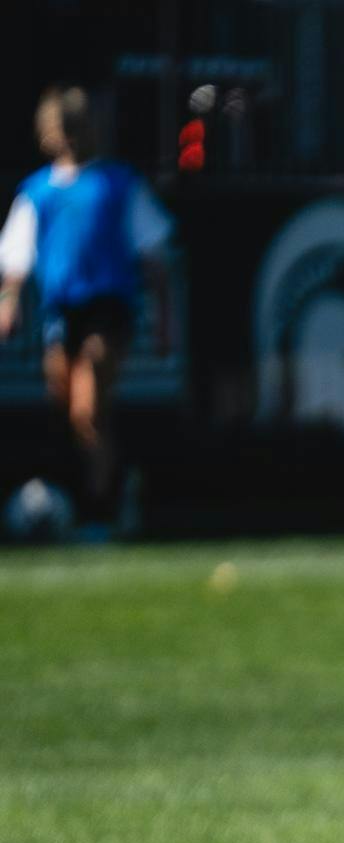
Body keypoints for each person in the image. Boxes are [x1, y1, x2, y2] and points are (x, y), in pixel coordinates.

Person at [0, 87, 173, 535]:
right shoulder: (37, 192)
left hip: (108, 307)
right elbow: (15, 263)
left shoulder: (117, 184)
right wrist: (8, 304)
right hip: (62, 311)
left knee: (87, 405)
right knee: (70, 407)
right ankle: (111, 483)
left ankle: (102, 507)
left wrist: (164, 322)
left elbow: (153, 255)